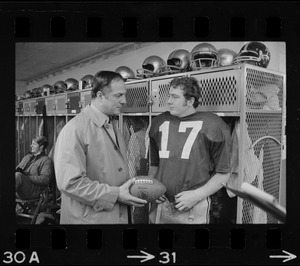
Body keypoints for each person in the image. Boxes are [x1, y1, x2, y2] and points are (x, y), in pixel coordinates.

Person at [53, 71, 147, 224]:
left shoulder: (111, 124)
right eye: (118, 95)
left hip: (114, 216)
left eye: (124, 95)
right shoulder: (75, 129)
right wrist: (116, 194)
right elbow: (70, 183)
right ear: (100, 96)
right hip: (89, 221)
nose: (124, 101)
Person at [148, 76, 232, 224]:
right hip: (161, 204)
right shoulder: (158, 122)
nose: (168, 101)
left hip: (194, 206)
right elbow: (154, 164)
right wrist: (153, 188)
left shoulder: (214, 125)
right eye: (169, 95)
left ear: (190, 101)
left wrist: (196, 195)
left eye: (175, 97)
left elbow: (224, 173)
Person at [15, 136, 54, 200]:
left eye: (34, 144)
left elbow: (46, 179)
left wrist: (26, 177)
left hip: (34, 191)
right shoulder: (26, 157)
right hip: (20, 187)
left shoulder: (46, 160)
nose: (31, 146)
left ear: (41, 147)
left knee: (18, 176)